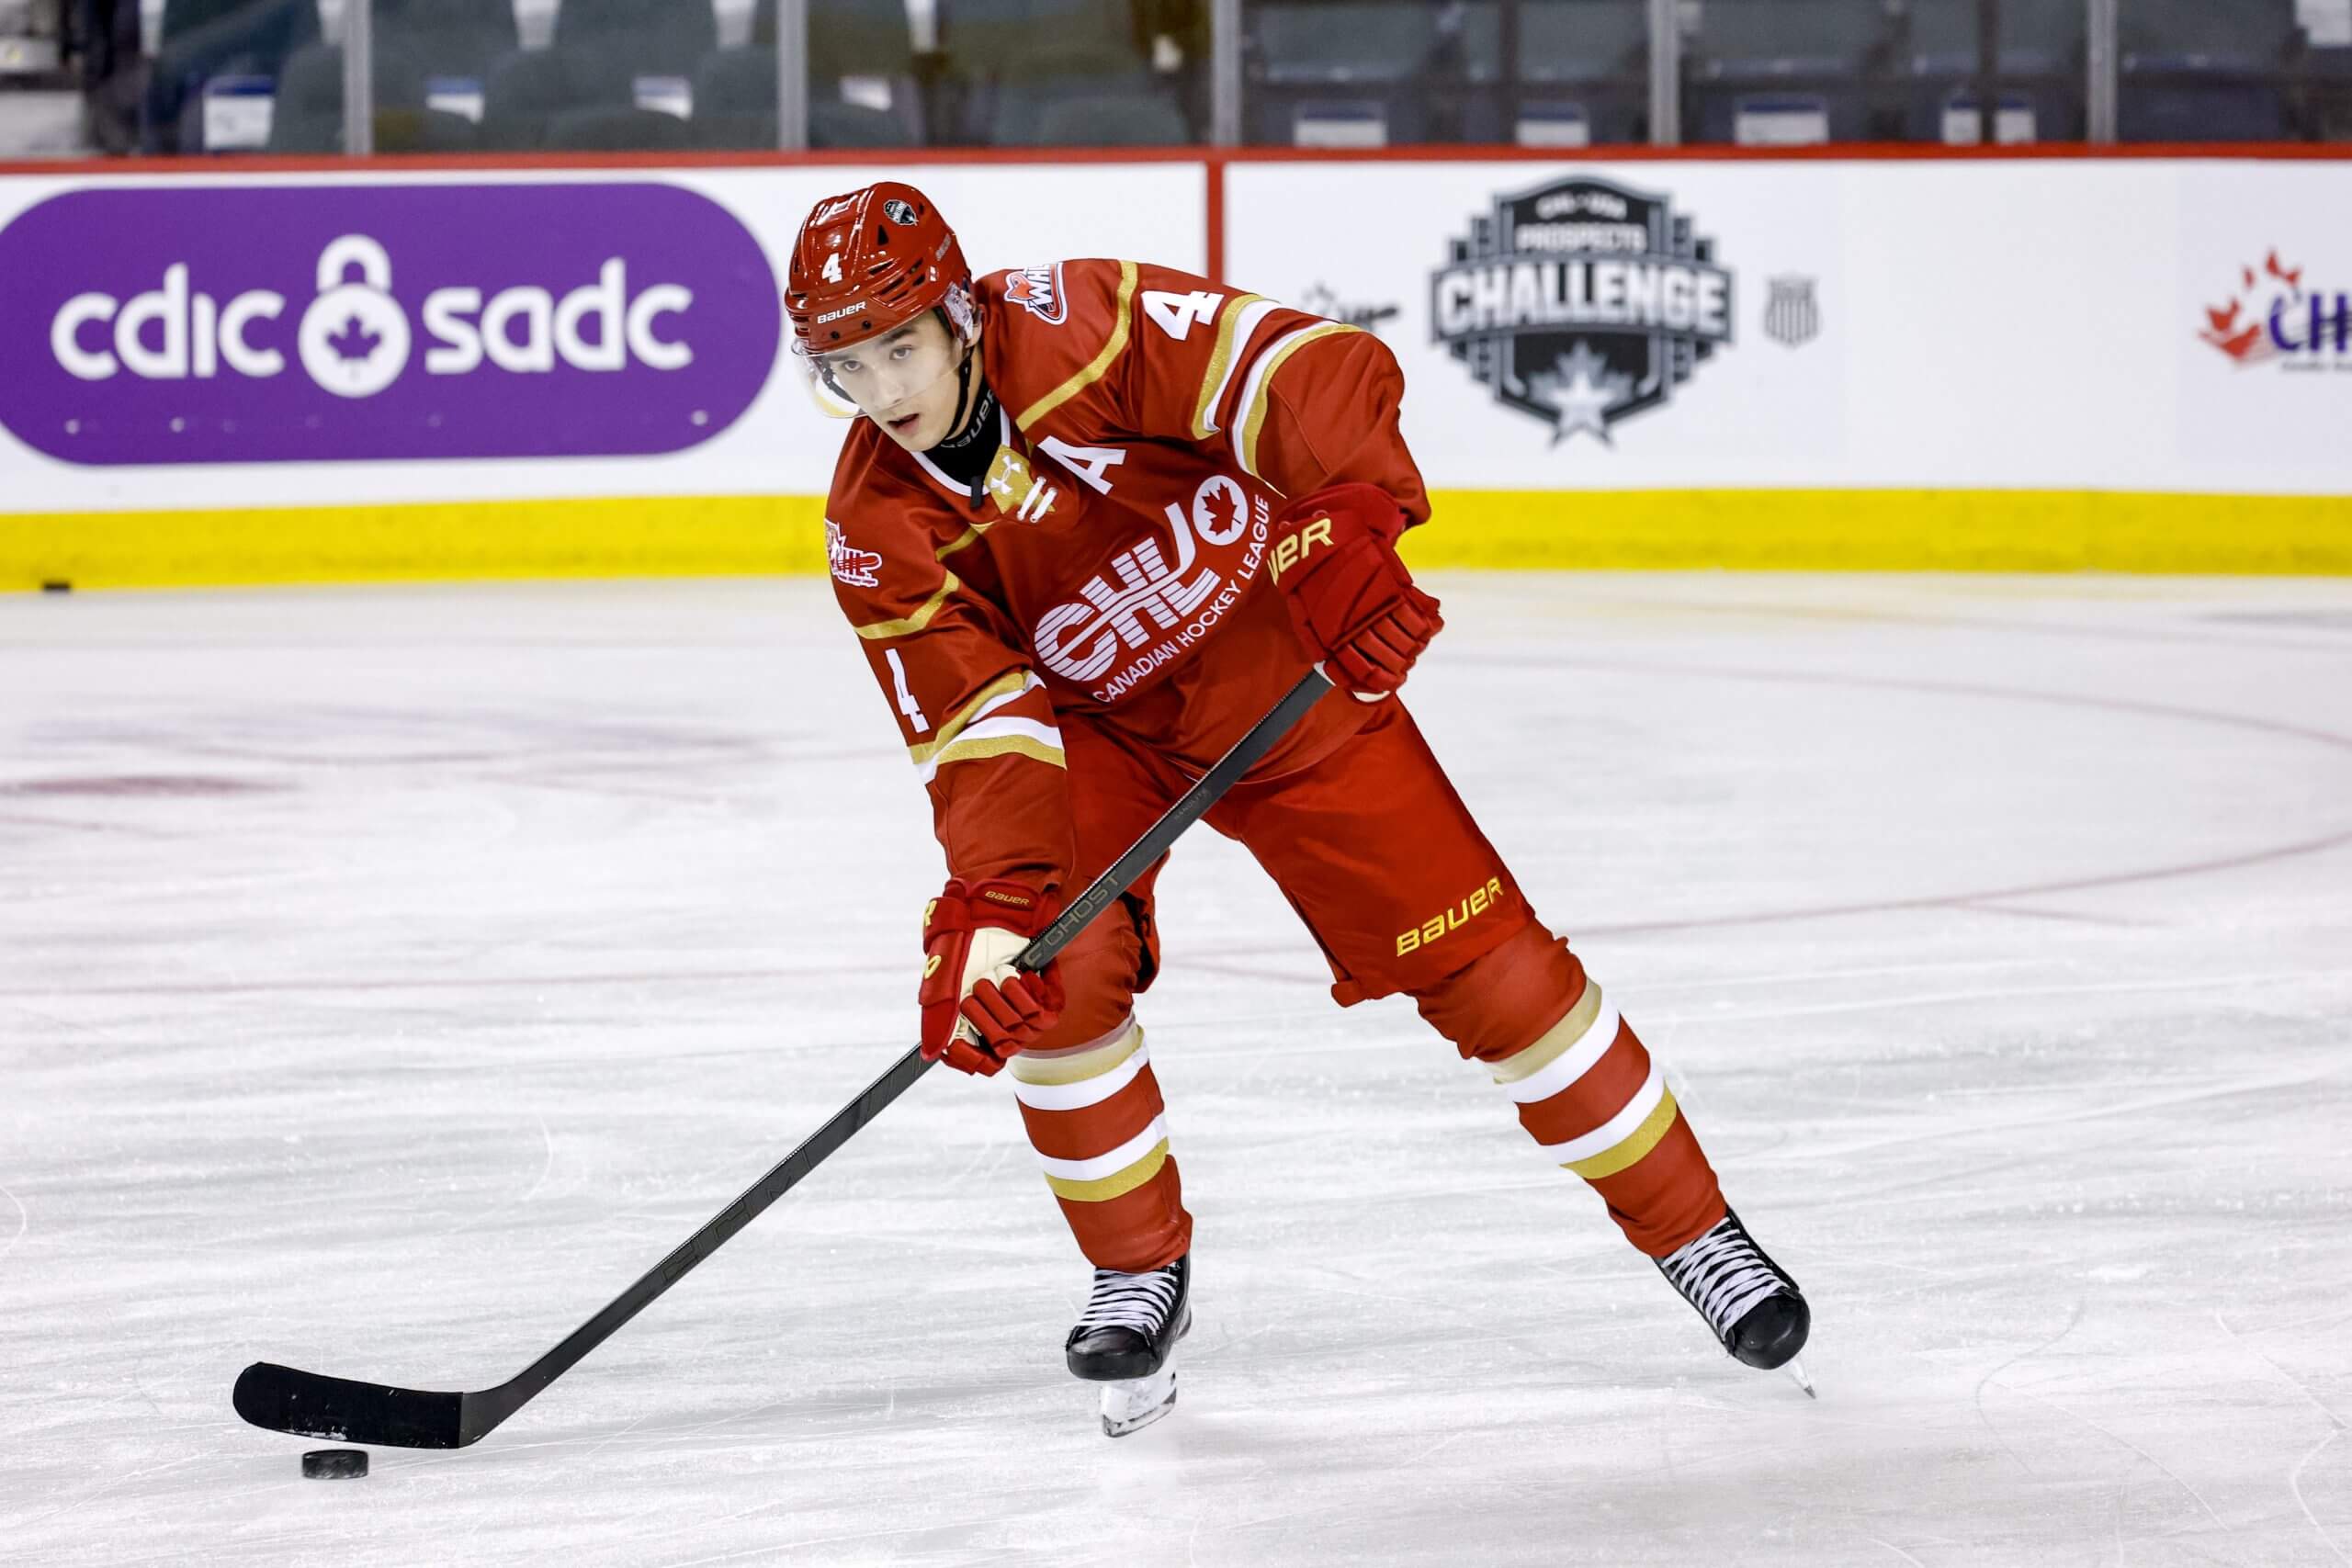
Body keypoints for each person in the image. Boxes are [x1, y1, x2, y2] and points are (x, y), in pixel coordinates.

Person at [788, 181, 1811, 1438]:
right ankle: (1133, 1267)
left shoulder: (1086, 322)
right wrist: (1000, 916)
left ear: (957, 315)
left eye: (900, 347)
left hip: (1277, 659)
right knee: (1057, 971)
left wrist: (1349, 519)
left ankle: (1697, 1233)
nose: (885, 391)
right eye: (847, 366)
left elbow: (1298, 368)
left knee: (1494, 975)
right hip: (1095, 732)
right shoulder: (874, 527)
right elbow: (979, 727)